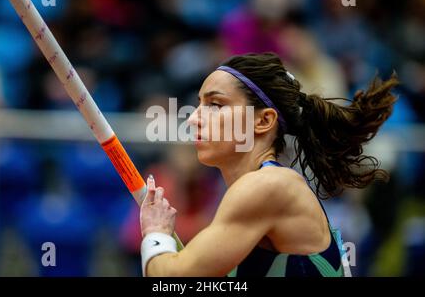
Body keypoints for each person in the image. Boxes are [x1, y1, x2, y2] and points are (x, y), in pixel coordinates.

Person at [139, 52, 399, 277]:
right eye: (199, 104)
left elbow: (171, 279)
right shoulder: (259, 188)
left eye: (215, 104)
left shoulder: (270, 186)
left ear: (263, 121)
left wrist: (155, 232)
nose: (193, 119)